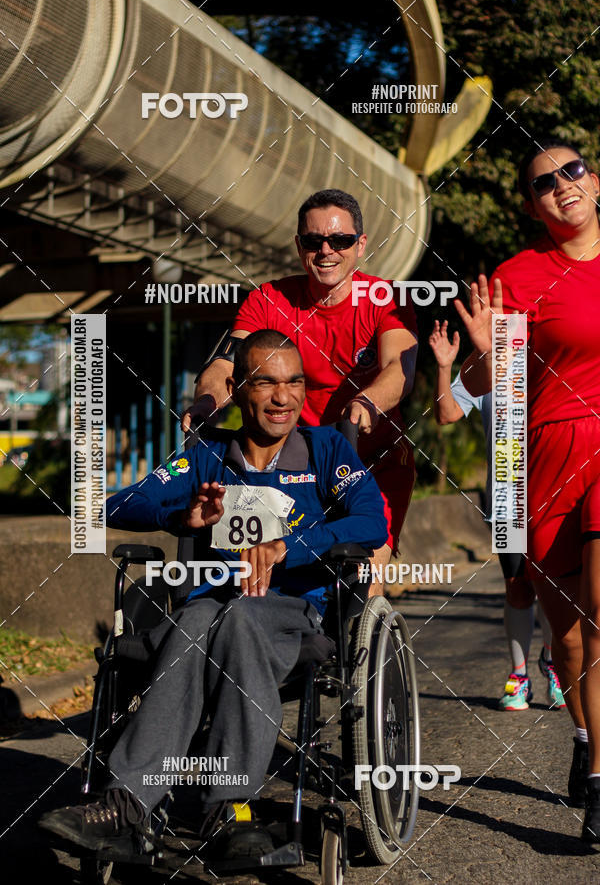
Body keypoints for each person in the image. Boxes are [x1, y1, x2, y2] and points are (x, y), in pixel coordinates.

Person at [40, 329, 388, 858]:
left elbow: (369, 521)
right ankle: (128, 808)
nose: (283, 397)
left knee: (239, 620)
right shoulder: (207, 457)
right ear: (239, 388)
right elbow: (114, 504)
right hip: (208, 609)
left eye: (294, 382)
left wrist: (287, 546)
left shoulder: (325, 450)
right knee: (196, 622)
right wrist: (179, 515)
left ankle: (229, 805)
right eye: (266, 382)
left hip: (290, 617)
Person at [454, 139, 600, 842]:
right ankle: (584, 734)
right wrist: (484, 351)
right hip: (543, 453)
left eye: (572, 172)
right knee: (567, 637)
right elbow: (486, 388)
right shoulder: (519, 275)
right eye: (544, 183)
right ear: (532, 205)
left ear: (594, 180)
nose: (561, 187)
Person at [182, 189, 418, 592]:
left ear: (360, 245)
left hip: (370, 465)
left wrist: (366, 401)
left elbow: (399, 369)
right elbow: (226, 363)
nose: (326, 251)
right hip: (289, 471)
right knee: (263, 584)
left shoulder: (385, 298)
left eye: (340, 240)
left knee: (361, 585)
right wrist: (206, 403)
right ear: (299, 246)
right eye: (313, 241)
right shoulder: (268, 300)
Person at [429, 319, 565, 711]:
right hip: (508, 489)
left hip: (558, 485)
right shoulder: (484, 361)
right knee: (518, 587)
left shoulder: (557, 351)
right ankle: (519, 675)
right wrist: (442, 366)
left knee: (557, 588)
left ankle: (554, 662)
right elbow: (446, 414)